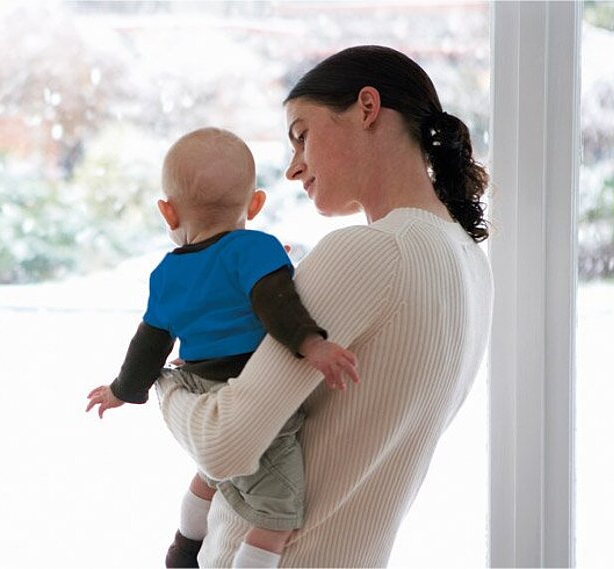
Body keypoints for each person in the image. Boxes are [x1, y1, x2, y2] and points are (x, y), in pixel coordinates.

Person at [156, 45, 495, 567]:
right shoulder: (468, 258)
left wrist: (164, 384)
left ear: (366, 108)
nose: (292, 169)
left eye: (301, 136)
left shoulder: (371, 251)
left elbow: (224, 443)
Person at [85, 127, 360, 568]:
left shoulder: (165, 274)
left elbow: (149, 345)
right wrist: (312, 345)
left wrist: (122, 390)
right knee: (278, 512)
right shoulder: (255, 247)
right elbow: (277, 304)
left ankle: (182, 549)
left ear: (168, 213)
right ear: (255, 205)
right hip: (246, 388)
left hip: (196, 382)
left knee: (209, 474)